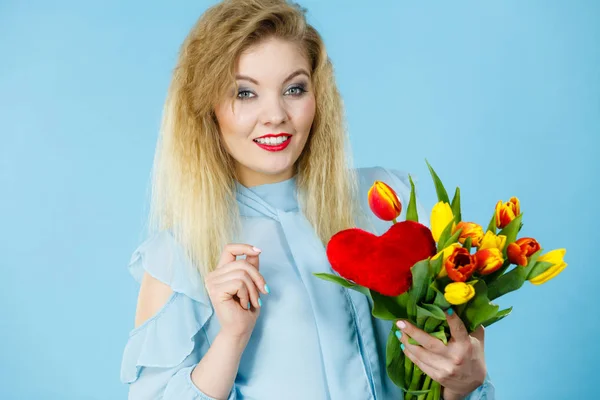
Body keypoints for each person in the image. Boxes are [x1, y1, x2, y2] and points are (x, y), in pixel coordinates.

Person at [119, 0, 495, 399]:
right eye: (245, 93)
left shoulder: (388, 201)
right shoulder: (177, 256)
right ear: (208, 108)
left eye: (294, 89)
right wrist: (232, 337)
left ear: (318, 97)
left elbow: (446, 377)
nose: (276, 114)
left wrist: (463, 383)